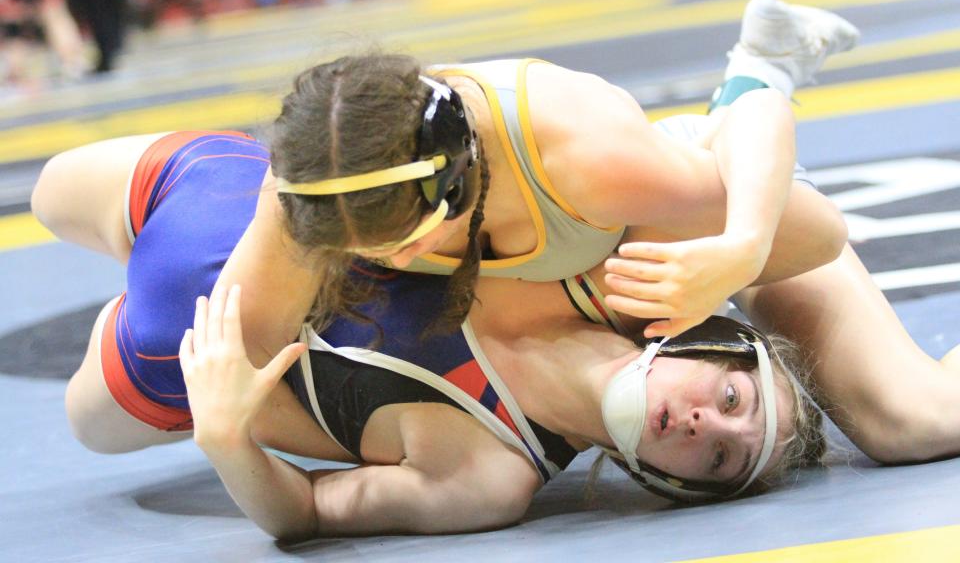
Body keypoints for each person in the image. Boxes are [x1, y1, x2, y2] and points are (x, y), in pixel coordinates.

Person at [32, 125, 813, 539]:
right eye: (731, 396)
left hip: (172, 362)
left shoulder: (489, 478)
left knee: (86, 426)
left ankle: (127, 314)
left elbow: (304, 512)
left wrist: (228, 440)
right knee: (45, 191)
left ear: (673, 484)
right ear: (700, 341)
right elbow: (736, 124)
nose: (707, 423)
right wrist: (744, 239)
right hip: (235, 185)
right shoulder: (602, 258)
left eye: (717, 456)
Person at [217, 0, 855, 377]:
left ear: (454, 179)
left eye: (408, 238)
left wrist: (741, 246)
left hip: (713, 180)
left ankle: (760, 66)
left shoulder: (595, 158)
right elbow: (244, 353)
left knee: (912, 425)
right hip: (609, 253)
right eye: (372, 251)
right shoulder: (324, 179)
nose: (396, 263)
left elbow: (821, 233)